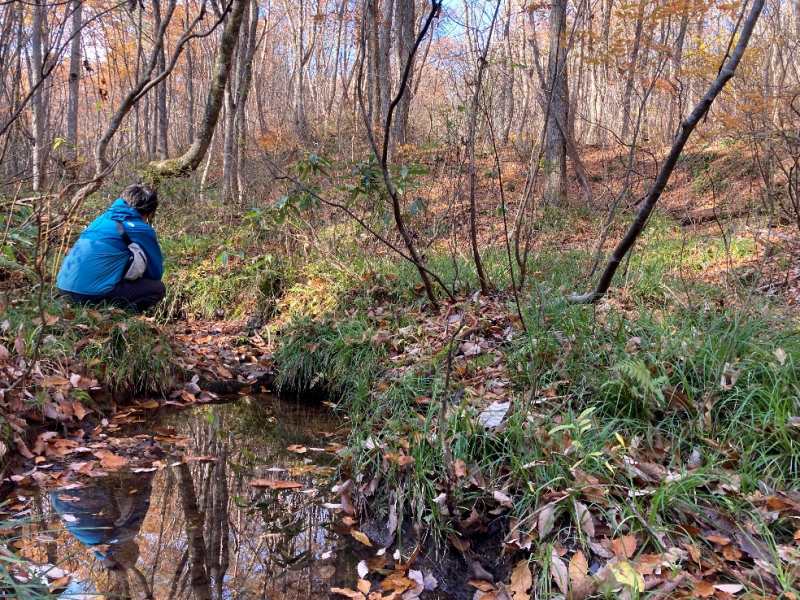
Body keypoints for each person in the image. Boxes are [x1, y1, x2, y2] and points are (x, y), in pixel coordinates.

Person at [57, 184, 165, 311]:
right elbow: (155, 272)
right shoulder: (139, 228)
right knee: (157, 288)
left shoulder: (100, 220)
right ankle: (122, 317)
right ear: (149, 211)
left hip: (63, 290)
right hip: (89, 295)